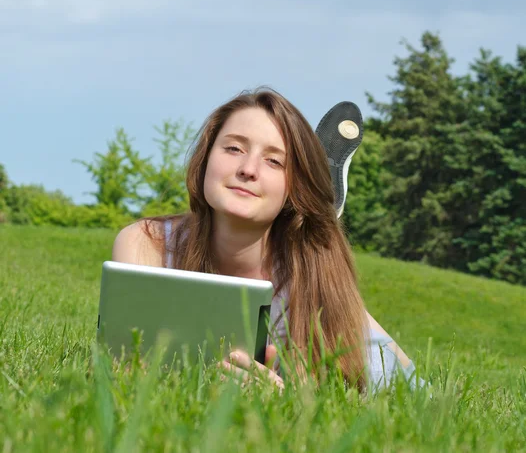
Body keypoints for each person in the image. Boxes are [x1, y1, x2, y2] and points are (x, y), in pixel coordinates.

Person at [112, 87, 419, 393]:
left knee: (401, 383)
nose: (247, 169)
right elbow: (122, 370)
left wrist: (282, 400)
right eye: (233, 149)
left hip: (304, 274)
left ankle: (319, 206)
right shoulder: (147, 244)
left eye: (274, 161)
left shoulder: (314, 277)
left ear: (292, 188)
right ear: (204, 158)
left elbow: (421, 401)